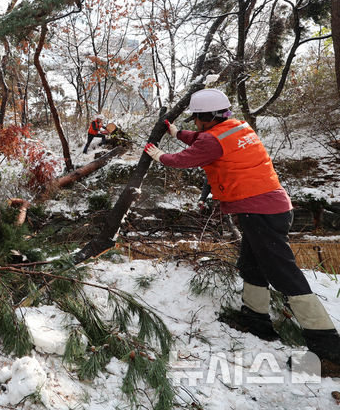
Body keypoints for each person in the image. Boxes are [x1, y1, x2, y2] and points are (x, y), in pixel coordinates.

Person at [144, 88, 340, 375]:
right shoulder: (235, 128)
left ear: (208, 117)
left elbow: (185, 158)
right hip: (271, 206)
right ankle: (256, 320)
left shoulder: (213, 138)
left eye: (197, 119)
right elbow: (202, 139)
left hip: (260, 210)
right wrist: (176, 132)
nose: (195, 124)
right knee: (252, 264)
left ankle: (330, 351)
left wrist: (159, 154)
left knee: (285, 275)